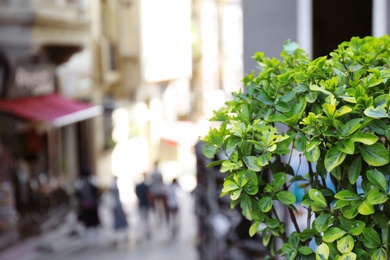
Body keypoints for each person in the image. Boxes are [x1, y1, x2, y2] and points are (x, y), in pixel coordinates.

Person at [75, 166, 100, 239]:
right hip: (87, 202)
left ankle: (92, 228)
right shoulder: (81, 181)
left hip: (89, 202)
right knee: (87, 216)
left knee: (91, 216)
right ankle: (90, 228)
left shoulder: (90, 180)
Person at [110, 176, 129, 245]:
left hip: (116, 205)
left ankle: (122, 235)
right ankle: (119, 235)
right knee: (119, 220)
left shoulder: (113, 186)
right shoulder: (114, 187)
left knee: (120, 220)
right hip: (117, 205)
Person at [135, 173, 151, 240]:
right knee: (145, 219)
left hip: (142, 204)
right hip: (144, 204)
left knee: (142, 219)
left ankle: (144, 232)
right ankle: (145, 232)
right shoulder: (145, 186)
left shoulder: (139, 187)